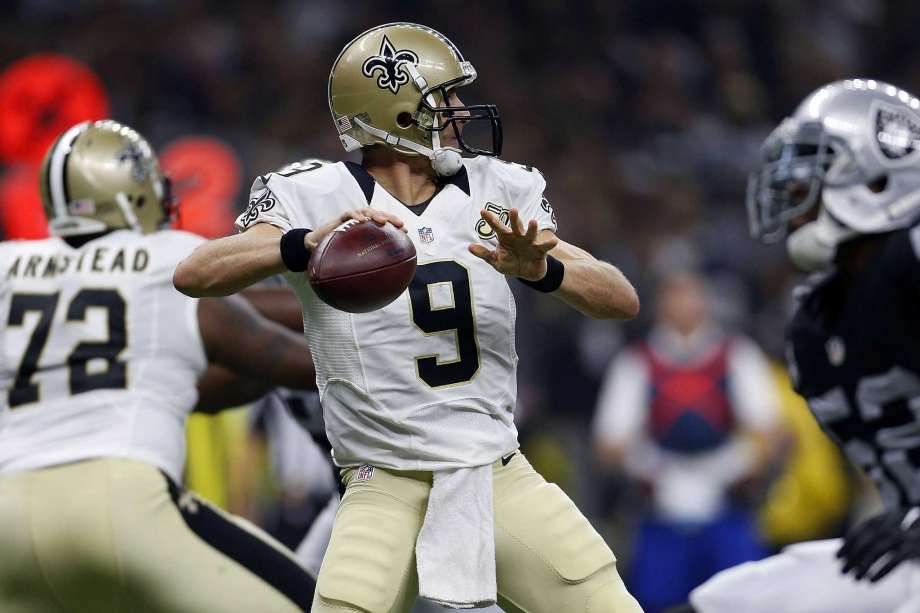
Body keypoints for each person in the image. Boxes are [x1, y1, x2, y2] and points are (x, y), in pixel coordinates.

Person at [174, 21, 643, 613]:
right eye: (446, 98)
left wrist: (542, 270)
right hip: (382, 482)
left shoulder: (498, 188)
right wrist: (299, 245)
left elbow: (620, 297)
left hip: (496, 472)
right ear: (396, 111)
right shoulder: (310, 194)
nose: (464, 113)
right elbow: (195, 273)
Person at [0, 120, 319, 612]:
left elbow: (197, 385)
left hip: (8, 519)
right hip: (116, 500)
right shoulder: (162, 258)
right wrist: (386, 340)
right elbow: (270, 353)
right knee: (313, 603)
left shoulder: (8, 265)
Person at [670, 79, 920, 613]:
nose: (790, 195)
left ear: (879, 175)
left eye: (815, 170)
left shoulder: (908, 267)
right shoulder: (818, 326)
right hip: (909, 544)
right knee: (720, 604)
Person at [594, 272, 780, 612]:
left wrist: (736, 463)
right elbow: (608, 445)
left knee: (744, 602)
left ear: (705, 301)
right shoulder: (637, 362)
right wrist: (649, 466)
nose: (683, 305)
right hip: (663, 513)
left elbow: (775, 432)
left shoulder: (735, 354)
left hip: (727, 509)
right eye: (674, 295)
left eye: (690, 294)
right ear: (659, 305)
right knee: (658, 603)